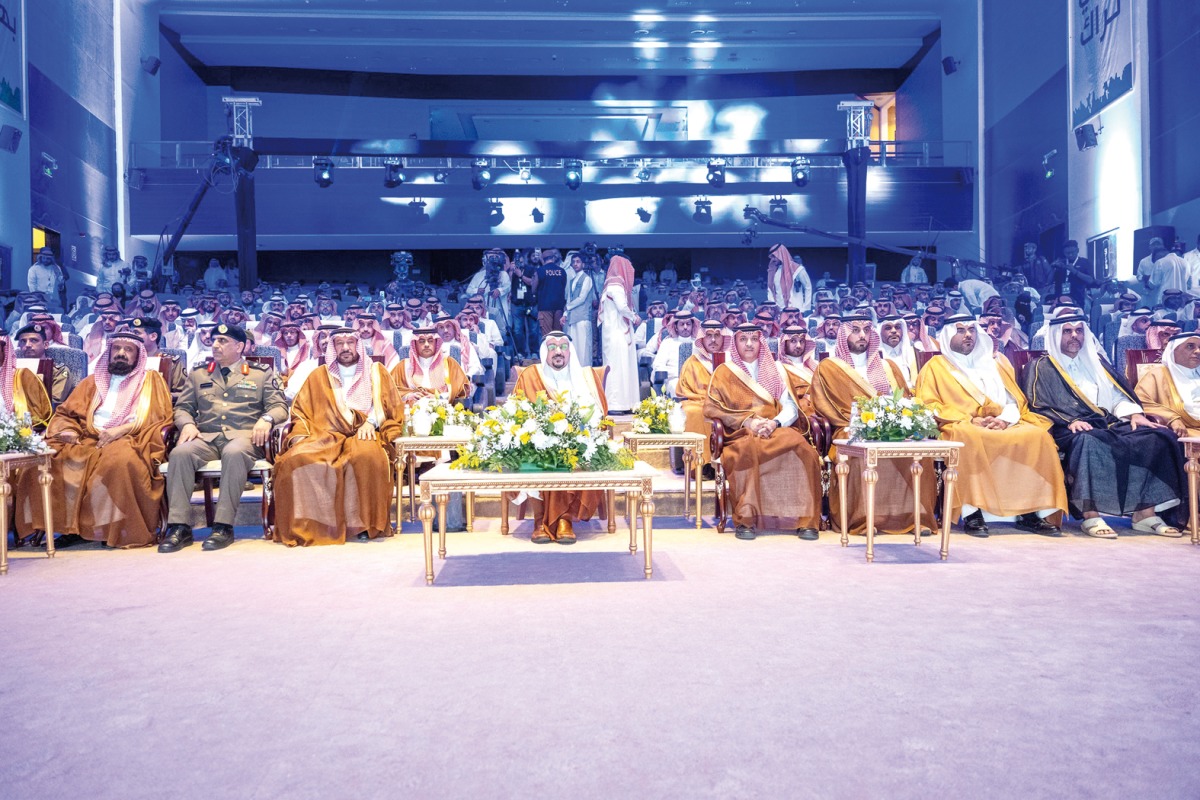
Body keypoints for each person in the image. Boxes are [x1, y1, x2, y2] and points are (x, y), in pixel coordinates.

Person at [1022, 312, 1186, 538]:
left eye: (1079, 331)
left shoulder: (1096, 361)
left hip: (1107, 422)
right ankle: (1091, 515)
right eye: (1067, 331)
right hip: (1065, 427)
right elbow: (1037, 402)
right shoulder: (1040, 366)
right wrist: (1071, 420)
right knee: (1089, 441)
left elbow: (1117, 396)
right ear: (1055, 335)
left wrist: (1134, 414)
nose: (1074, 336)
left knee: (1156, 437)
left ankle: (1145, 514)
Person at [914, 314, 1066, 537]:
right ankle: (971, 511)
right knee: (966, 437)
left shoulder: (994, 363)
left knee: (1037, 436)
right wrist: (970, 419)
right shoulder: (935, 367)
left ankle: (1032, 511)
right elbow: (929, 405)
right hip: (960, 423)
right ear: (947, 336)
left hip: (1002, 423)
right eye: (960, 330)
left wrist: (1004, 419)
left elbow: (1015, 401)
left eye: (971, 330)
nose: (967, 335)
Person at [18, 332, 172, 549]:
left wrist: (121, 430)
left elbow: (159, 417)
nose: (121, 354)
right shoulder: (91, 382)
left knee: (119, 462)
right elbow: (65, 413)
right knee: (48, 458)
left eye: (128, 350)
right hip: (87, 437)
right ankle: (70, 528)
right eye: (116, 349)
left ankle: (112, 530)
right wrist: (68, 430)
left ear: (138, 355)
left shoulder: (151, 381)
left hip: (131, 437)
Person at [159, 324, 288, 553]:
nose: (215, 345)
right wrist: (187, 424)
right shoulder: (200, 374)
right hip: (206, 437)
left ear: (239, 346)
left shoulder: (260, 374)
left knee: (234, 452)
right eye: (214, 340)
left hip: (245, 438)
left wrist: (266, 419)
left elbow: (279, 407)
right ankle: (179, 527)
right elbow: (182, 408)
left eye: (223, 341)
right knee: (180, 453)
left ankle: (223, 526)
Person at [273, 329, 404, 546]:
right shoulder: (319, 375)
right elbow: (301, 411)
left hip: (365, 430)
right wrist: (300, 435)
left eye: (350, 342)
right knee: (295, 460)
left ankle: (364, 525)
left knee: (366, 456)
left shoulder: (376, 372)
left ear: (358, 345)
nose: (345, 348)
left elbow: (390, 405)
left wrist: (369, 423)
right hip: (324, 433)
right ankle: (309, 526)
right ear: (332, 348)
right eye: (340, 344)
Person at [810, 313, 937, 536]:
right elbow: (825, 406)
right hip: (850, 428)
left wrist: (894, 422)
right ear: (843, 334)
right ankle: (863, 520)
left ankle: (912, 517)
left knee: (918, 453)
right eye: (856, 330)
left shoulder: (889, 366)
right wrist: (864, 424)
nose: (862, 335)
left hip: (892, 428)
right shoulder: (829, 368)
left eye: (867, 330)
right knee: (860, 454)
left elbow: (904, 399)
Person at [703, 323, 822, 540]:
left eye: (754, 339)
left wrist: (774, 423)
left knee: (804, 449)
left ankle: (806, 520)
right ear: (735, 342)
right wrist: (747, 422)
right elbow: (711, 408)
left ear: (761, 342)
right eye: (743, 339)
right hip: (739, 432)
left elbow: (791, 406)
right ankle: (746, 518)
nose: (749, 344)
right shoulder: (724, 371)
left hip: (774, 427)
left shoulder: (777, 369)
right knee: (748, 449)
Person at [512, 332, 608, 544]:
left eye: (563, 347)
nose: (558, 352)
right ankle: (539, 522)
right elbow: (517, 411)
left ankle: (565, 519)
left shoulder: (585, 379)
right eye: (552, 347)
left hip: (577, 440)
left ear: (570, 352)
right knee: (537, 454)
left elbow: (599, 413)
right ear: (545, 351)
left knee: (573, 456)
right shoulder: (531, 375)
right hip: (537, 439)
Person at [675, 319, 725, 465]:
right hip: (699, 402)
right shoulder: (693, 361)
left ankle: (729, 464)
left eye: (717, 336)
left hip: (726, 403)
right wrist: (708, 400)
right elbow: (685, 389)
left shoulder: (730, 362)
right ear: (702, 338)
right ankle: (700, 464)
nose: (713, 340)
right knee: (692, 412)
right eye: (709, 335)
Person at [597, 255, 642, 413]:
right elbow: (622, 307)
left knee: (623, 366)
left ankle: (626, 403)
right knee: (617, 367)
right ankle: (615, 404)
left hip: (617, 332)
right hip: (617, 334)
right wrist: (635, 317)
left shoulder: (613, 284)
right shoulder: (615, 284)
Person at [1135, 332, 1200, 436]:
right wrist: (1171, 418)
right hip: (1184, 432)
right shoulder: (1157, 375)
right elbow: (1140, 403)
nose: (1198, 351)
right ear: (1173, 351)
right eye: (1190, 346)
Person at [390, 326, 471, 405]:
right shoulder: (403, 366)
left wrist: (440, 397)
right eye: (421, 341)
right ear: (415, 344)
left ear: (436, 343)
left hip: (443, 411)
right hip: (411, 412)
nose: (426, 344)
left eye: (430, 340)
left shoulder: (449, 363)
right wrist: (408, 396)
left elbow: (463, 389)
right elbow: (389, 389)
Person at [14, 323, 72, 406]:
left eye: (33, 340)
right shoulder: (12, 369)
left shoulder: (59, 371)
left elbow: (54, 402)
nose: (27, 345)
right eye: (23, 341)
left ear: (45, 345)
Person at [130, 317, 187, 401]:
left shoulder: (172, 362)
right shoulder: (128, 361)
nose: (131, 337)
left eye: (136, 333)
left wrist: (161, 396)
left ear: (153, 336)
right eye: (130, 333)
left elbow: (183, 394)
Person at [466, 249, 512, 336]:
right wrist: (477, 291)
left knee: (499, 332)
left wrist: (499, 290)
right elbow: (468, 290)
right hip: (482, 310)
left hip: (499, 309)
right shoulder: (479, 275)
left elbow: (508, 286)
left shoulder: (503, 274)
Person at [651, 311, 698, 397]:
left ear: (692, 326)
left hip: (697, 380)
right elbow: (658, 364)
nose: (685, 327)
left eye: (688, 324)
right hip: (674, 380)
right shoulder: (667, 343)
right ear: (675, 327)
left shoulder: (698, 344)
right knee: (677, 388)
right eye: (681, 324)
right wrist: (676, 374)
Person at [563, 251, 596, 368]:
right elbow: (569, 299)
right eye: (573, 262)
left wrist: (568, 307)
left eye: (578, 262)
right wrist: (565, 314)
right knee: (574, 348)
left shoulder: (587, 279)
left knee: (584, 349)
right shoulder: (572, 280)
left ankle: (585, 373)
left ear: (583, 264)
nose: (575, 264)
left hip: (582, 317)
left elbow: (582, 298)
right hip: (572, 318)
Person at [1137, 237, 1189, 308]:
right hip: (1180, 298)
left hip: (1166, 299)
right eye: (1153, 244)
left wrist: (1149, 280)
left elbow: (1153, 283)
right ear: (1149, 246)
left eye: (1158, 244)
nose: (1156, 246)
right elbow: (1188, 282)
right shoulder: (1185, 262)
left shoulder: (1160, 262)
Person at [766, 244, 813, 313]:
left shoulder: (798, 269)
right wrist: (773, 307)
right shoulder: (773, 270)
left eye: (774, 256)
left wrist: (806, 308)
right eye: (771, 257)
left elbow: (808, 287)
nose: (772, 259)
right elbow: (770, 289)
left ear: (781, 254)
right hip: (779, 311)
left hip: (795, 309)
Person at [877, 314, 919, 386]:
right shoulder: (875, 356)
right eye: (888, 328)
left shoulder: (914, 353)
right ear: (880, 332)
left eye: (897, 327)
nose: (894, 331)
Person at [533, 248, 567, 336]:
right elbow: (564, 286)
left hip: (545, 306)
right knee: (558, 335)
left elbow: (533, 289)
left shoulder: (539, 271)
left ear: (543, 259)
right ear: (553, 258)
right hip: (559, 306)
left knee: (547, 335)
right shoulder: (562, 271)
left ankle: (548, 350)